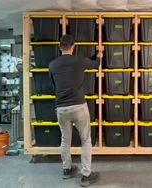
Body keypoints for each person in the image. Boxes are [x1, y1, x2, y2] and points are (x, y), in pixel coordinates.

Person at [49, 34, 101, 187]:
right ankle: (86, 175)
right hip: (79, 106)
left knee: (65, 140)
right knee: (86, 140)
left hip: (61, 108)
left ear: (60, 47)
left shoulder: (52, 65)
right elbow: (95, 64)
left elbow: (54, 85)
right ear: (73, 46)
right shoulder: (79, 61)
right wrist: (99, 55)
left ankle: (66, 170)